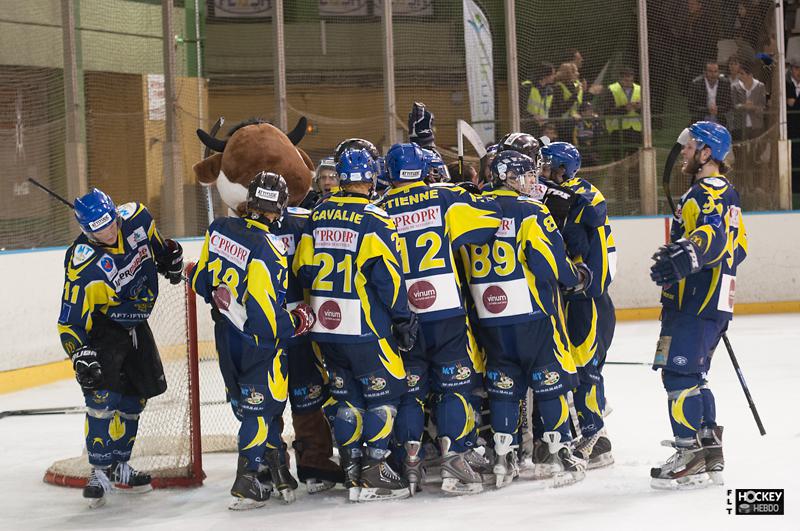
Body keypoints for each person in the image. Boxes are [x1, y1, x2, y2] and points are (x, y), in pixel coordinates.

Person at [293, 148, 418, 503]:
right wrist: (403, 317)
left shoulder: (317, 215)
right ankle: (376, 470)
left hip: (326, 327)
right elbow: (388, 278)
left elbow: (302, 270)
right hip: (365, 326)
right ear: (370, 177)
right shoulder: (375, 218)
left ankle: (350, 468)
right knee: (385, 395)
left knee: (347, 399)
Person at [378, 142, 501, 495]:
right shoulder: (443, 197)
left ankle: (411, 461)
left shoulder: (379, 208)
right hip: (445, 308)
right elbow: (489, 222)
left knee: (411, 393)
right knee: (455, 387)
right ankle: (454, 458)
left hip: (401, 315)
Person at [463, 150, 591, 489]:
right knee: (548, 380)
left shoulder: (472, 209)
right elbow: (548, 261)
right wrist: (575, 275)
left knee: (504, 384)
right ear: (507, 177)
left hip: (489, 316)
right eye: (524, 175)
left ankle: (503, 458)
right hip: (531, 313)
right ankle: (560, 453)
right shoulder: (531, 210)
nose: (531, 181)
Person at [191, 172, 316, 510]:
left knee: (253, 407)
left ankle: (277, 471)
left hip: (225, 338)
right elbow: (265, 321)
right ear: (279, 208)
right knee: (260, 413)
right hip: (257, 345)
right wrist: (297, 322)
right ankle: (246, 481)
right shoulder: (268, 250)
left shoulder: (218, 229)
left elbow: (200, 282)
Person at [57, 189, 184, 507]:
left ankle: (119, 466)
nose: (109, 230)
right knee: (102, 398)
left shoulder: (138, 218)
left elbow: (160, 248)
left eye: (110, 221)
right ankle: (98, 471)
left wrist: (170, 259)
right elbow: (68, 320)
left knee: (134, 398)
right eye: (98, 228)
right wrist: (79, 353)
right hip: (105, 330)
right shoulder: (81, 262)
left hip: (137, 323)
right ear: (86, 230)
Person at [649, 122, 748, 490]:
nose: (685, 152)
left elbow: (714, 237)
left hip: (695, 299)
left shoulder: (703, 194)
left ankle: (689, 452)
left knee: (677, 375)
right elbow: (740, 248)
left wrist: (688, 256)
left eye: (691, 147)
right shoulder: (729, 193)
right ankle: (709, 448)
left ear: (707, 153)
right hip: (715, 299)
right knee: (694, 375)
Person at [540, 142, 617, 470]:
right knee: (580, 368)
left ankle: (594, 438)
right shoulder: (569, 193)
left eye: (546, 166)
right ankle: (588, 427)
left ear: (561, 169)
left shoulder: (578, 197)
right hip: (583, 298)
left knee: (586, 370)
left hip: (588, 301)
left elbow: (584, 221)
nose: (540, 171)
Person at [270, 203, 345, 494]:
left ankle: (309, 460)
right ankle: (272, 463)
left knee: (306, 395)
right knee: (270, 401)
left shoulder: (303, 220)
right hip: (280, 328)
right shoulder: (240, 230)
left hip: (298, 326)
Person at [602, 67, 642, 160]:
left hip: (635, 130)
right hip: (617, 130)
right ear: (620, 78)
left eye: (630, 80)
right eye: (626, 80)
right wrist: (624, 108)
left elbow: (649, 108)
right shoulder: (612, 90)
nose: (628, 83)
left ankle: (635, 175)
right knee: (619, 159)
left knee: (635, 160)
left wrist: (639, 108)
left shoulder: (639, 89)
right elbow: (606, 111)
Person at [688, 60, 732, 127]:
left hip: (720, 120)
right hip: (700, 120)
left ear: (719, 72)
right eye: (710, 71)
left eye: (715, 71)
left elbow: (728, 104)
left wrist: (718, 109)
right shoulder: (696, 84)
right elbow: (691, 107)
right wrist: (708, 110)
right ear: (705, 72)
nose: (713, 74)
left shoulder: (725, 83)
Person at [551, 62, 583, 145]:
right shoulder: (558, 87)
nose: (577, 74)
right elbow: (561, 108)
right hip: (563, 125)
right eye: (574, 72)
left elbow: (579, 104)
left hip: (575, 124)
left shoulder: (576, 86)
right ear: (567, 74)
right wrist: (574, 94)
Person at [521, 62, 555, 134]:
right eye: (552, 74)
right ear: (545, 75)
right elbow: (519, 107)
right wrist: (532, 117)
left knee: (544, 144)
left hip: (544, 127)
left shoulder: (550, 91)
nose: (554, 77)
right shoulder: (527, 86)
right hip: (528, 126)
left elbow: (550, 110)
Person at [786, 56, 800, 206]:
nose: (798, 71)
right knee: (793, 159)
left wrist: (794, 103)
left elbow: (793, 104)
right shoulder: (786, 84)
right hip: (791, 129)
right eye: (796, 68)